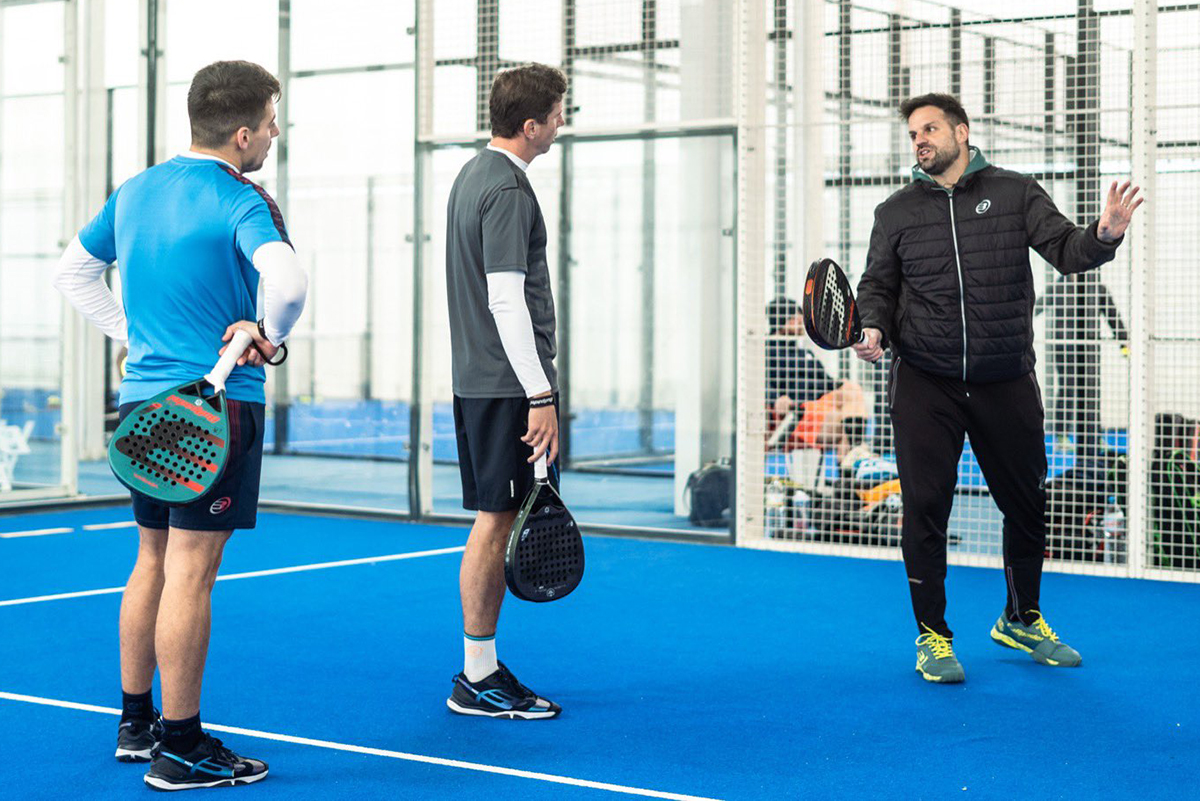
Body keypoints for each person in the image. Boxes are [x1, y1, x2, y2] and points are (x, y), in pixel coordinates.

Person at [52, 60, 307, 787]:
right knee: (191, 573)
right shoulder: (243, 198)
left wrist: (132, 334)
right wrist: (268, 334)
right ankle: (182, 746)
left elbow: (73, 273)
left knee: (152, 560)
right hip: (216, 409)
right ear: (242, 133)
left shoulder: (135, 191)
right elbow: (289, 282)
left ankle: (136, 726)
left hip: (143, 405)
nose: (275, 134)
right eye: (271, 123)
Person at [852, 93, 1142, 683]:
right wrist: (873, 326)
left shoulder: (1016, 193)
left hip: (1004, 378)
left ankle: (1021, 617)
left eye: (930, 129)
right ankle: (933, 637)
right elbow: (877, 286)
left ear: (962, 132)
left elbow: (1067, 250)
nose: (919, 141)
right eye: (913, 134)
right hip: (925, 381)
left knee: (1027, 505)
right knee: (926, 510)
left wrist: (1105, 234)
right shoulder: (895, 211)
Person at [443, 63, 567, 719]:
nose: (562, 124)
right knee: (495, 524)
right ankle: (478, 676)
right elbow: (505, 299)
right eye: (558, 114)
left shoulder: (472, 175)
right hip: (508, 388)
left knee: (493, 520)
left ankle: (480, 669)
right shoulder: (508, 189)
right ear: (531, 125)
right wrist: (540, 395)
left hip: (484, 383)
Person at [765, 297, 872, 470]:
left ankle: (852, 459)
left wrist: (839, 384)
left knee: (850, 390)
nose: (800, 322)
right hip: (799, 411)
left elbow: (826, 382)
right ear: (784, 321)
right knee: (845, 425)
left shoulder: (803, 352)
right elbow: (759, 383)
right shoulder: (767, 350)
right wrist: (775, 398)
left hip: (819, 404)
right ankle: (854, 455)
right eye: (795, 318)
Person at [1038, 273, 1129, 463]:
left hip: (1089, 350)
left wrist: (1124, 344)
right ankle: (1062, 436)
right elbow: (1035, 306)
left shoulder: (1097, 288)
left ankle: (1093, 437)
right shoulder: (1058, 286)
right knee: (1068, 388)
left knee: (1091, 391)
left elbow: (1112, 315)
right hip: (1064, 348)